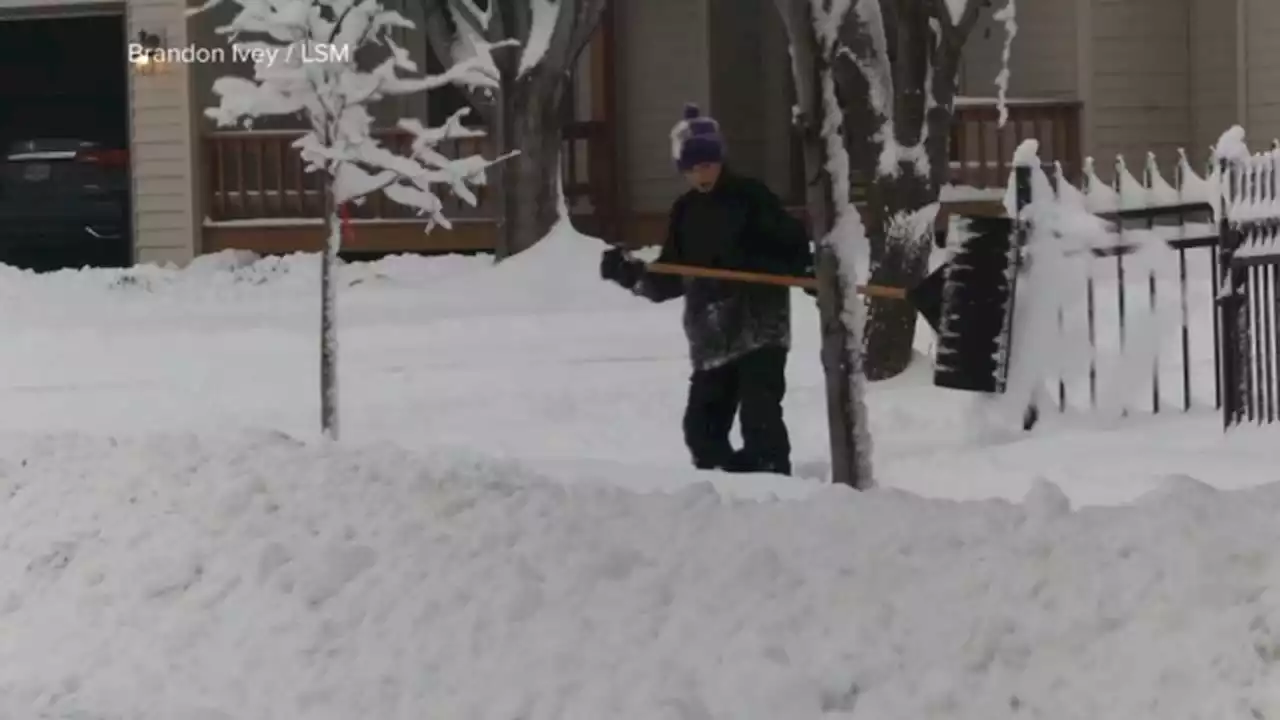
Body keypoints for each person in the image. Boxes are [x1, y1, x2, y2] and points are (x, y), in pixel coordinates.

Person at [599, 103, 814, 476]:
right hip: (712, 335)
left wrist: (807, 271)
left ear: (720, 160)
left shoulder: (751, 197)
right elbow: (670, 276)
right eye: (693, 168)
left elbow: (793, 245)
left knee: (759, 417)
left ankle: (773, 486)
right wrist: (632, 275)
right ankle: (728, 490)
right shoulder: (685, 212)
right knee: (701, 430)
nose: (703, 174)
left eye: (708, 165)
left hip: (759, 326)